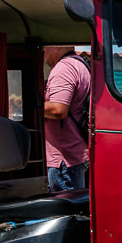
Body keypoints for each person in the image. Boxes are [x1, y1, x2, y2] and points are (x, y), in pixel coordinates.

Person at [44, 45, 91, 191]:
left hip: (63, 158)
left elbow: (58, 109)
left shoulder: (64, 68)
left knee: (64, 211)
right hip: (74, 152)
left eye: (45, 48)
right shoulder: (80, 64)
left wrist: (28, 106)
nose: (43, 53)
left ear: (57, 45)